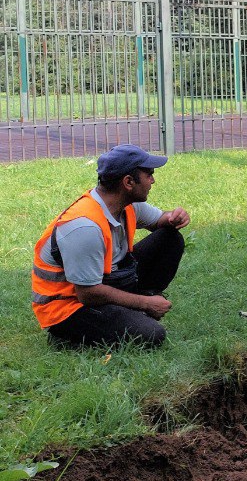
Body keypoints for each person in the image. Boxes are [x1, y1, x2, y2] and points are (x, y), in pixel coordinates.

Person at [32, 144, 190, 349]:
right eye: (149, 174)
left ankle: (137, 309)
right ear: (128, 182)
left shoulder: (128, 204)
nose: (153, 180)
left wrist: (173, 218)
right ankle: (65, 336)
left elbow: (160, 220)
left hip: (99, 284)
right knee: (152, 335)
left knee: (170, 238)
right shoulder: (84, 227)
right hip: (70, 306)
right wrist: (145, 303)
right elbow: (88, 294)